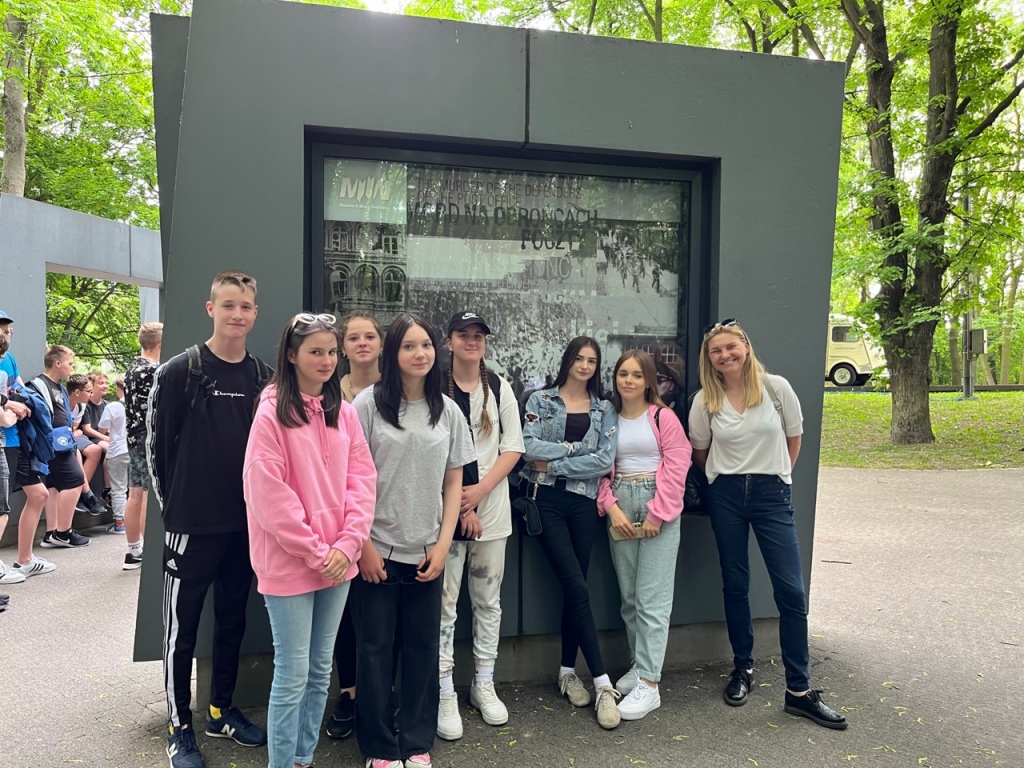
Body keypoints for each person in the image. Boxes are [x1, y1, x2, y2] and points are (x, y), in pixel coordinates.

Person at [688, 319, 847, 730]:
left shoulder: (777, 389)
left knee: (791, 591)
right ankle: (742, 668)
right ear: (709, 359)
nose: (724, 355)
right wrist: (726, 481)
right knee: (735, 583)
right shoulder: (705, 400)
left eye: (730, 347)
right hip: (725, 494)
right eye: (716, 351)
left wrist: (775, 476)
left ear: (745, 346)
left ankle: (799, 691)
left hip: (771, 494)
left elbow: (795, 439)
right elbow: (700, 453)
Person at [147, 271, 271, 768]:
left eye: (245, 306)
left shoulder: (263, 377)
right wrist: (176, 513)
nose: (237, 314)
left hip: (244, 527)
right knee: (181, 631)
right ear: (210, 308)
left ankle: (221, 710)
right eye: (228, 305)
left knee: (233, 619)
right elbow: (156, 451)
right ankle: (180, 727)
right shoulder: (179, 371)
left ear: (255, 313)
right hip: (191, 529)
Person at [243, 312, 377, 768]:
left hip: (339, 561)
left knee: (321, 669)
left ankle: (303, 758)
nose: (326, 360)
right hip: (290, 563)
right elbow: (267, 493)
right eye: (315, 351)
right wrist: (318, 551)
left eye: (331, 352)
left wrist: (348, 544)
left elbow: (362, 480)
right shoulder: (270, 412)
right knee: (292, 673)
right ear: (291, 355)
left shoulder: (344, 412)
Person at [351, 313, 475, 768]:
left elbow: (454, 481)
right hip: (377, 552)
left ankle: (417, 743)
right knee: (374, 652)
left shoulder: (448, 410)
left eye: (425, 345)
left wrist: (443, 545)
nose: (419, 354)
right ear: (393, 353)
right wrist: (362, 545)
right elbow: (349, 478)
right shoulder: (367, 405)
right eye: (408, 346)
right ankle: (380, 748)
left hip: (428, 552)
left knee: (423, 651)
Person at [520, 336, 620, 730]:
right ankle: (603, 683)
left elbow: (604, 460)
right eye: (579, 358)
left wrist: (557, 461)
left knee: (573, 588)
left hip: (583, 504)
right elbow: (528, 448)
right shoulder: (540, 400)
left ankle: (566, 671)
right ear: (568, 361)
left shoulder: (604, 408)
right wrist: (576, 451)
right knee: (577, 588)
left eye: (592, 360)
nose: (585, 365)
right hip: (545, 503)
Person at [436, 312, 524, 740]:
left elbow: (513, 447)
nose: (471, 342)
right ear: (449, 342)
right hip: (444, 514)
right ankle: (444, 690)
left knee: (488, 601)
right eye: (463, 335)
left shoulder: (499, 387)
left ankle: (483, 683)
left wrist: (480, 491)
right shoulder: (435, 387)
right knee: (445, 605)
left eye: (478, 336)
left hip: (492, 512)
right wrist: (459, 502)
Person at [597, 350, 691, 720]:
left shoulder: (663, 417)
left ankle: (650, 685)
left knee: (652, 598)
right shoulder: (607, 418)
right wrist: (611, 506)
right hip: (621, 503)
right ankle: (639, 666)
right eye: (623, 373)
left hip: (656, 503)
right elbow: (598, 466)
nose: (629, 380)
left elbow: (678, 463)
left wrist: (659, 512)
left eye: (637, 375)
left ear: (649, 380)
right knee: (631, 597)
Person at [327, 310, 383, 741]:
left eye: (370, 336)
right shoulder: (329, 393)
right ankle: (348, 693)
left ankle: (383, 695)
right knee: (345, 614)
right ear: (343, 347)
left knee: (384, 617)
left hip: (392, 520)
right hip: (342, 521)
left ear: (381, 343)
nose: (362, 343)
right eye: (353, 338)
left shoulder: (399, 389)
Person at [23, 347, 91, 554]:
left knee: (53, 486)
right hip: (52, 443)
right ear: (58, 363)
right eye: (70, 364)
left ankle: (51, 533)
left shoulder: (59, 387)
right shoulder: (38, 385)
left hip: (64, 441)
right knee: (76, 479)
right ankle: (63, 532)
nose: (72, 368)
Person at [122, 321, 162, 570]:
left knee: (135, 491)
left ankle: (133, 549)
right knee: (149, 492)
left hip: (133, 436)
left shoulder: (132, 368)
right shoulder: (154, 370)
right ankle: (151, 551)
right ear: (160, 344)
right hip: (149, 437)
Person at [0, 327, 28, 591]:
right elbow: (5, 416)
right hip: (4, 437)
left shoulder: (9, 361)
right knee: (1, 511)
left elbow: (17, 387)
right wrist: (8, 412)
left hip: (9, 441)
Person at [98, 376, 128, 534]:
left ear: (118, 388)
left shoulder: (113, 406)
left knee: (118, 488)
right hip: (137, 449)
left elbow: (102, 428)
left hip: (118, 450)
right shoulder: (140, 405)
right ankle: (135, 520)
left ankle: (120, 522)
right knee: (138, 488)